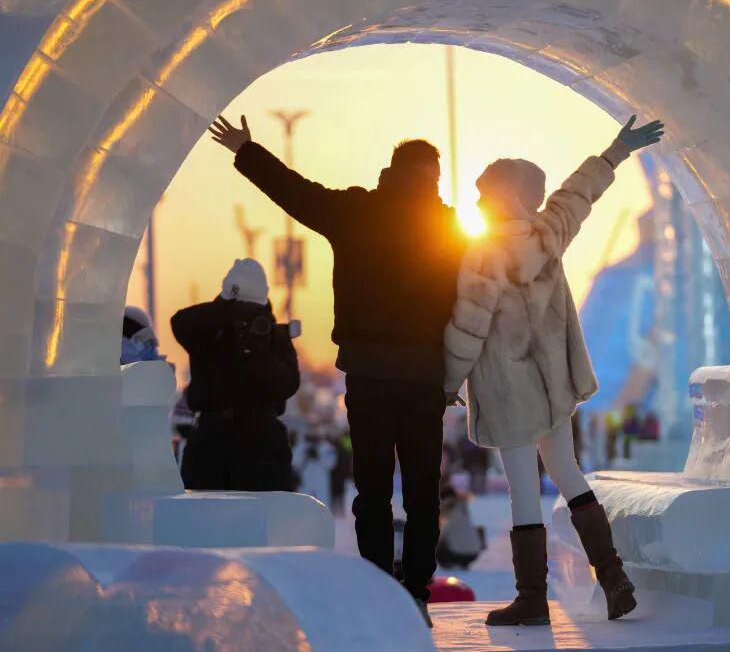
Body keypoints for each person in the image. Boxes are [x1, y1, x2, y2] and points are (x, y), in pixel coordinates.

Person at [210, 115, 465, 625]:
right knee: (422, 492)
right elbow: (471, 303)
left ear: (392, 169)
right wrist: (458, 369)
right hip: (422, 377)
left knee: (372, 491)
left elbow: (296, 193)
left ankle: (380, 590)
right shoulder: (447, 227)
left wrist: (247, 150)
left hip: (369, 375)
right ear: (432, 175)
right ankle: (415, 592)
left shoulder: (357, 211)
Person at [443, 116, 664, 626]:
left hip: (508, 392)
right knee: (567, 472)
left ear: (499, 197)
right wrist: (616, 150)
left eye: (483, 194)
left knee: (524, 490)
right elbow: (578, 194)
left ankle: (531, 598)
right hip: (553, 387)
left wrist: (448, 382)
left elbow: (469, 326)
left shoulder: (483, 256)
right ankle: (614, 578)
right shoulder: (548, 233)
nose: (477, 202)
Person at [171, 258, 300, 492]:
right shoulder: (212, 330)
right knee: (204, 511)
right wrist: (223, 306)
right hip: (212, 440)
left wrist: (259, 352)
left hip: (261, 442)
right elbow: (180, 323)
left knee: (265, 513)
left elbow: (288, 383)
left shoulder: (271, 336)